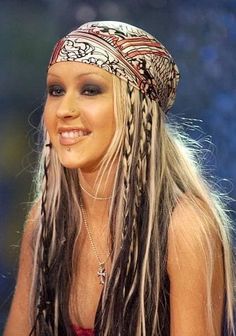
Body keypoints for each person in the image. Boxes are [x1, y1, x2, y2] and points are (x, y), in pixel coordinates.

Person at [4, 21, 235, 336]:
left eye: (90, 90)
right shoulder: (45, 221)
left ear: (136, 110)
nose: (63, 109)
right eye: (56, 90)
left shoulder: (184, 228)